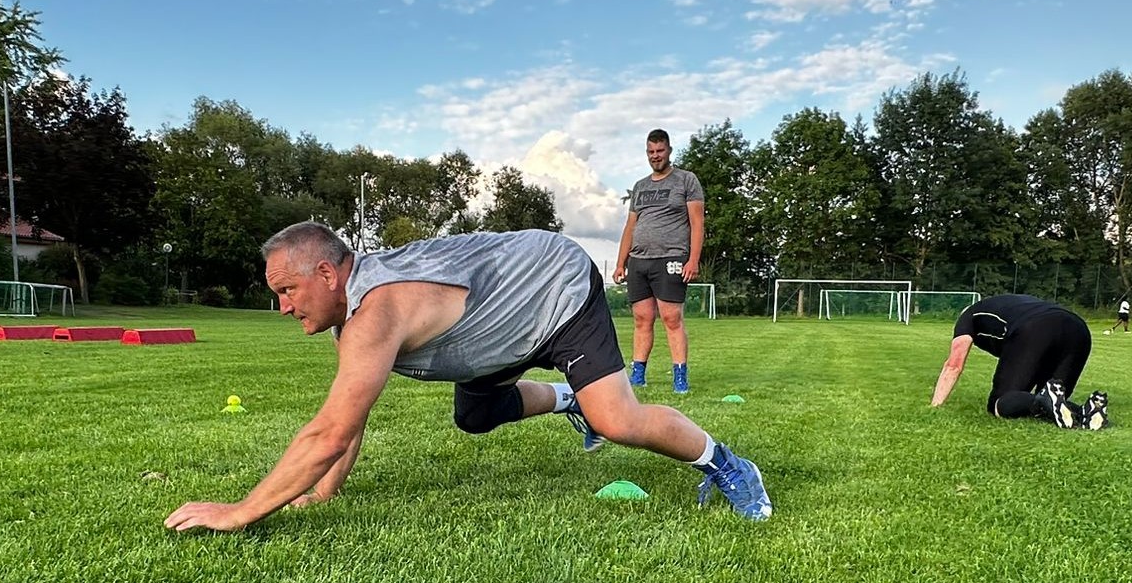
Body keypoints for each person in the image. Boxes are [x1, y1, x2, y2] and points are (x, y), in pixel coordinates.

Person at [164, 222, 773, 532]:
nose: (283, 306)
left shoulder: (376, 311)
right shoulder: (351, 315)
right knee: (475, 417)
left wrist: (241, 511)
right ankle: (568, 400)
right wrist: (318, 495)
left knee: (618, 419)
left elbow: (329, 432)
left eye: (287, 290)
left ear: (327, 274)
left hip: (552, 291)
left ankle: (729, 465)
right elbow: (349, 425)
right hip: (493, 337)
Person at [611, 128, 705, 393]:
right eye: (651, 152)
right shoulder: (640, 187)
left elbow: (697, 223)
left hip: (672, 257)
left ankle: (680, 376)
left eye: (660, 151)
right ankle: (638, 374)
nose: (655, 156)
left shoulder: (686, 180)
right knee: (642, 318)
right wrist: (621, 263)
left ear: (669, 150)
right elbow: (630, 227)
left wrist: (693, 260)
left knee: (671, 318)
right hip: (639, 260)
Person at [931, 293, 1107, 430]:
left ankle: (1046, 400)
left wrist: (935, 406)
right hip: (1079, 330)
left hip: (1036, 328)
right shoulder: (1011, 302)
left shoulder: (968, 316)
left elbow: (954, 365)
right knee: (1047, 405)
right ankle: (1086, 412)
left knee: (999, 404)